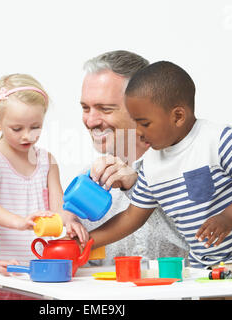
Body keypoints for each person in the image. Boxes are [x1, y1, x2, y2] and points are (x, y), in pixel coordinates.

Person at [89, 61, 232, 299]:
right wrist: (87, 241)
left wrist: (228, 217)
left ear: (178, 116)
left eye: (144, 123)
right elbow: (132, 217)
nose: (138, 132)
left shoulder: (217, 139)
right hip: (205, 268)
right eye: (135, 122)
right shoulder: (151, 165)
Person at [0, 73, 89, 299]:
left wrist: (71, 222)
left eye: (35, 127)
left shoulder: (47, 160)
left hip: (40, 271)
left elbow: (59, 206)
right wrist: (20, 222)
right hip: (1, 270)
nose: (27, 136)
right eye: (17, 129)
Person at [80, 50, 189, 266]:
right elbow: (85, 264)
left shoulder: (190, 165)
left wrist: (136, 189)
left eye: (105, 109)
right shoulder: (89, 181)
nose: (91, 121)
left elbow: (209, 247)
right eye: (85, 108)